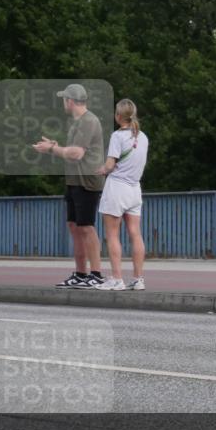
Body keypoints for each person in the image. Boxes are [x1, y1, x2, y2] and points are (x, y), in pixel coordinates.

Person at [33, 84, 106, 288]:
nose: (63, 103)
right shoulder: (77, 122)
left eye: (64, 99)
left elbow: (76, 154)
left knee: (86, 227)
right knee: (74, 227)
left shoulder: (88, 121)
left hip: (86, 181)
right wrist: (55, 147)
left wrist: (52, 149)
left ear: (70, 101)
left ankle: (96, 274)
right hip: (74, 180)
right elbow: (71, 150)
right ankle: (81, 274)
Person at [94, 99, 149, 291]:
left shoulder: (117, 136)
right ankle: (138, 278)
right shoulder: (143, 137)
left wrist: (102, 169)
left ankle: (117, 278)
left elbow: (110, 165)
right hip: (135, 189)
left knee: (112, 234)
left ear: (118, 116)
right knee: (135, 233)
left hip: (117, 188)